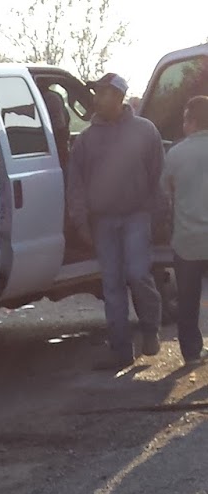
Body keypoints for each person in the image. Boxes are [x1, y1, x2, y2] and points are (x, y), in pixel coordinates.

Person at [66, 72, 164, 370]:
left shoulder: (145, 131)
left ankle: (150, 329)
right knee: (112, 285)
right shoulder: (85, 140)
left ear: (119, 97)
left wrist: (160, 216)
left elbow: (157, 176)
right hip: (103, 222)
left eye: (103, 92)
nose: (96, 98)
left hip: (137, 216)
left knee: (138, 274)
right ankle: (121, 350)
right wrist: (81, 223)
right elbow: (76, 185)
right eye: (96, 92)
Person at [162, 93, 208, 365]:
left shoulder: (176, 154)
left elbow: (164, 191)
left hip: (187, 240)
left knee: (188, 300)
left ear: (191, 121)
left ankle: (191, 352)